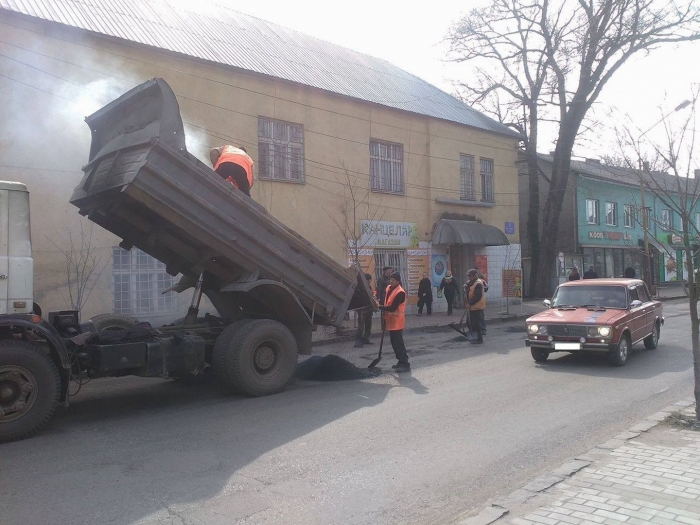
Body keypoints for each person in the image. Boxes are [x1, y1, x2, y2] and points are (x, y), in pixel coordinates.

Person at [374, 271, 410, 372]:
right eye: (391, 279)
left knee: (398, 343)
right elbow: (385, 300)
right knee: (394, 343)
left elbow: (393, 307)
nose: (391, 281)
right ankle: (400, 361)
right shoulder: (388, 288)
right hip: (390, 320)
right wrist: (379, 303)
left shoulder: (400, 292)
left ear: (398, 281)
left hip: (397, 322)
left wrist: (380, 307)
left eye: (393, 280)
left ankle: (405, 363)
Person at [464, 269, 486, 344]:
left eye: (470, 276)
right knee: (469, 322)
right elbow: (468, 290)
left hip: (477, 306)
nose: (468, 277)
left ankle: (479, 338)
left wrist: (470, 303)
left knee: (475, 324)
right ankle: (474, 337)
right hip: (471, 306)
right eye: (468, 276)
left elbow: (477, 296)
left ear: (474, 276)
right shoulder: (470, 282)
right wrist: (466, 288)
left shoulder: (478, 283)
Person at [358, 273, 374, 345]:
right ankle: (359, 341)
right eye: (369, 280)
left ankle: (366, 339)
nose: (369, 282)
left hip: (369, 308)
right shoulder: (360, 287)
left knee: (368, 324)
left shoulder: (369, 287)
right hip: (363, 308)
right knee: (361, 326)